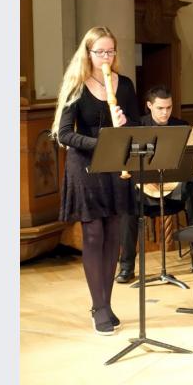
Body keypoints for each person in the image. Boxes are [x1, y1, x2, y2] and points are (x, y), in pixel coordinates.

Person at [50, 26, 140, 335]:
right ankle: (98, 306)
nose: (106, 57)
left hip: (116, 166)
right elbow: (63, 134)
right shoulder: (76, 85)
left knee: (113, 233)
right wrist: (100, 141)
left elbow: (139, 123)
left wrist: (126, 123)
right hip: (85, 166)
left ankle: (107, 302)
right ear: (87, 53)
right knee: (93, 235)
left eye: (110, 51)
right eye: (100, 52)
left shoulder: (124, 85)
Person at [116, 86, 193, 283]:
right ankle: (126, 266)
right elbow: (125, 159)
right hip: (146, 193)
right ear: (149, 106)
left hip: (172, 194)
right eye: (160, 108)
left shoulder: (181, 126)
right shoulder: (137, 127)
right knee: (127, 204)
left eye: (168, 107)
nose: (165, 112)